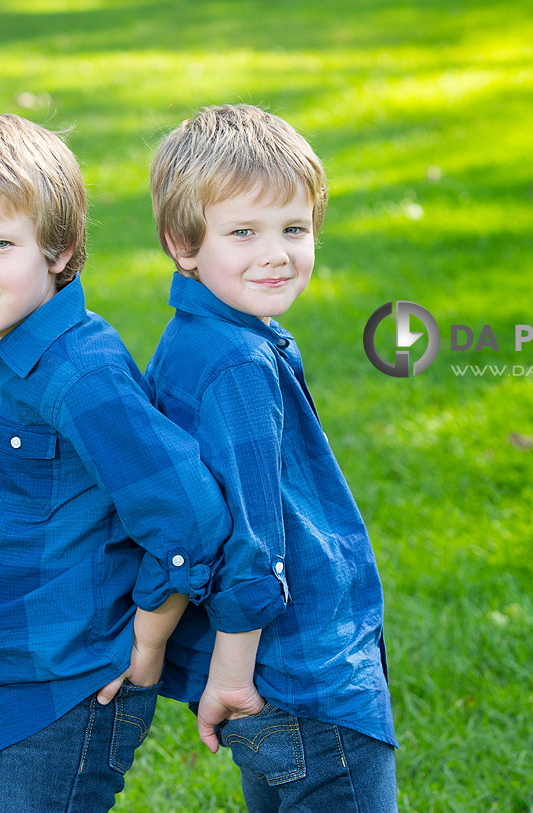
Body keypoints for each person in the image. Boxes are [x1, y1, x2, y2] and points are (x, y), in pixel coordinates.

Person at [0, 110, 280, 812]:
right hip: (8, 675)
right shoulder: (0, 351)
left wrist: (148, 634)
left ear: (59, 249)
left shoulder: (79, 372)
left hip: (70, 683)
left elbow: (191, 515)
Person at [145, 104, 399, 813]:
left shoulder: (199, 337)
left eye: (294, 228)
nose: (276, 252)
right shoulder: (236, 365)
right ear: (183, 243)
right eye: (243, 232)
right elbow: (249, 534)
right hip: (303, 675)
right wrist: (232, 663)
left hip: (271, 678)